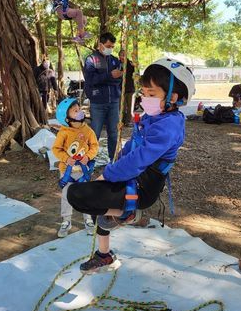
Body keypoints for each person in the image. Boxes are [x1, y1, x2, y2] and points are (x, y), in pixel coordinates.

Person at [67, 58, 195, 274]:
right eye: (144, 93)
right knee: (96, 202)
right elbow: (132, 149)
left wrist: (108, 173)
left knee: (77, 195)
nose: (145, 99)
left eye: (151, 94)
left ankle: (128, 213)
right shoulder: (154, 117)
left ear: (173, 97)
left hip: (143, 187)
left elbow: (140, 159)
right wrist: (115, 165)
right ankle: (104, 255)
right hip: (132, 179)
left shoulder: (169, 125)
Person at [52, 98, 99, 237]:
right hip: (67, 171)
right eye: (75, 111)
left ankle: (88, 219)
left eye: (79, 109)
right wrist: (66, 158)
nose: (80, 112)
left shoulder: (88, 130)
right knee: (66, 196)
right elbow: (56, 149)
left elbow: (95, 146)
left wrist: (88, 156)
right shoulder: (64, 132)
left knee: (86, 195)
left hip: (83, 171)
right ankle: (66, 220)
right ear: (67, 118)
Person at [83, 32, 123, 160]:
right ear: (100, 45)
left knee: (114, 133)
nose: (110, 49)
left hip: (114, 102)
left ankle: (114, 160)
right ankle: (88, 160)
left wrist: (108, 78)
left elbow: (119, 80)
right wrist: (110, 76)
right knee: (95, 134)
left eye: (112, 46)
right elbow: (90, 80)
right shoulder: (91, 60)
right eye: (108, 46)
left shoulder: (115, 60)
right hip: (97, 103)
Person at [119, 49, 135, 126]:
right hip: (120, 89)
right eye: (121, 55)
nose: (123, 57)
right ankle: (121, 121)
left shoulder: (130, 64)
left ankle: (128, 121)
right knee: (121, 107)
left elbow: (136, 73)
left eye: (124, 55)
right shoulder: (117, 64)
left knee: (130, 106)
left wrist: (135, 66)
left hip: (130, 88)